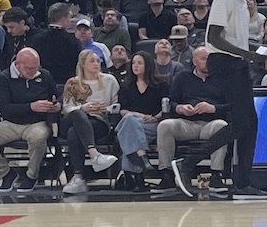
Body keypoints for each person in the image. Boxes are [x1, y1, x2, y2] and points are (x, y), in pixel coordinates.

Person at [204, 0, 267, 199]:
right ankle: (188, 160)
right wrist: (247, 54)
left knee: (249, 123)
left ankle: (243, 184)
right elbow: (214, 38)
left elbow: (236, 40)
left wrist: (261, 50)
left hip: (237, 63)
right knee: (244, 123)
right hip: (223, 63)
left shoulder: (241, 0)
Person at [0, 47, 61, 190]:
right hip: (10, 123)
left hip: (38, 123)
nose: (34, 72)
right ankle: (5, 173)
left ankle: (31, 175)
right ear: (18, 65)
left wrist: (56, 106)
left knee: (38, 138)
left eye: (36, 68)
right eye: (30, 69)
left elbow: (55, 97)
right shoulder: (3, 78)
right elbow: (5, 109)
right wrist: (31, 107)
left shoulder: (45, 75)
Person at [157, 47, 234, 198]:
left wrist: (213, 108)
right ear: (194, 61)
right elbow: (171, 102)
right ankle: (166, 173)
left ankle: (216, 174)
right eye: (204, 59)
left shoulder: (223, 78)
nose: (208, 62)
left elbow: (232, 105)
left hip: (211, 123)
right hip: (187, 123)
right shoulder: (182, 77)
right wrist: (180, 108)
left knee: (222, 126)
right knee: (164, 126)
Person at [59, 54, 120, 195]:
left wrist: (108, 109)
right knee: (77, 114)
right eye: (92, 61)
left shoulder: (110, 80)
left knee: (74, 134)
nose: (96, 63)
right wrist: (82, 108)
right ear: (82, 64)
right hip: (71, 119)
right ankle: (94, 155)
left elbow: (116, 105)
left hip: (98, 122)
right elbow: (66, 108)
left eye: (98, 61)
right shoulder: (72, 82)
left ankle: (78, 177)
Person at [116, 51, 163, 190]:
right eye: (133, 63)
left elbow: (166, 107)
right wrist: (138, 115)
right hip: (134, 124)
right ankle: (142, 158)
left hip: (152, 125)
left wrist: (156, 117)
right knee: (130, 122)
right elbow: (122, 110)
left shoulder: (161, 85)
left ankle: (132, 176)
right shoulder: (126, 85)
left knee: (126, 131)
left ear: (148, 65)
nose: (135, 66)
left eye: (139, 63)